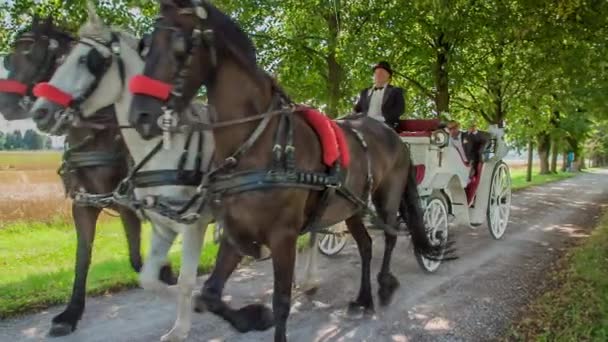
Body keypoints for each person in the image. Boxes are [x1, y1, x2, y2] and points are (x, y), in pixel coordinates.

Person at [353, 61, 405, 130]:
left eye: (382, 73)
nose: (378, 75)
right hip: (365, 125)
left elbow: (400, 109)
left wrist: (383, 119)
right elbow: (357, 109)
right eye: (376, 73)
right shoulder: (365, 92)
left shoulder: (395, 91)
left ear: (388, 76)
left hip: (386, 126)